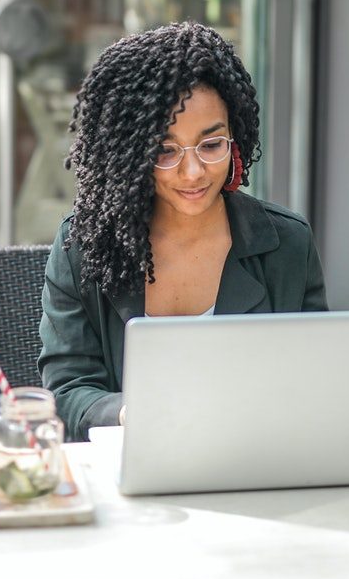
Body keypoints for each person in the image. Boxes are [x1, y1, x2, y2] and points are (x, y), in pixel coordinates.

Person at [39, 23, 329, 441]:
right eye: (165, 150)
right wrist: (128, 412)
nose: (192, 173)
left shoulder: (287, 244)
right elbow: (67, 392)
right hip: (130, 472)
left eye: (211, 146)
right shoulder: (84, 247)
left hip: (257, 463)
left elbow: (315, 383)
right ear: (131, 154)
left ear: (236, 140)